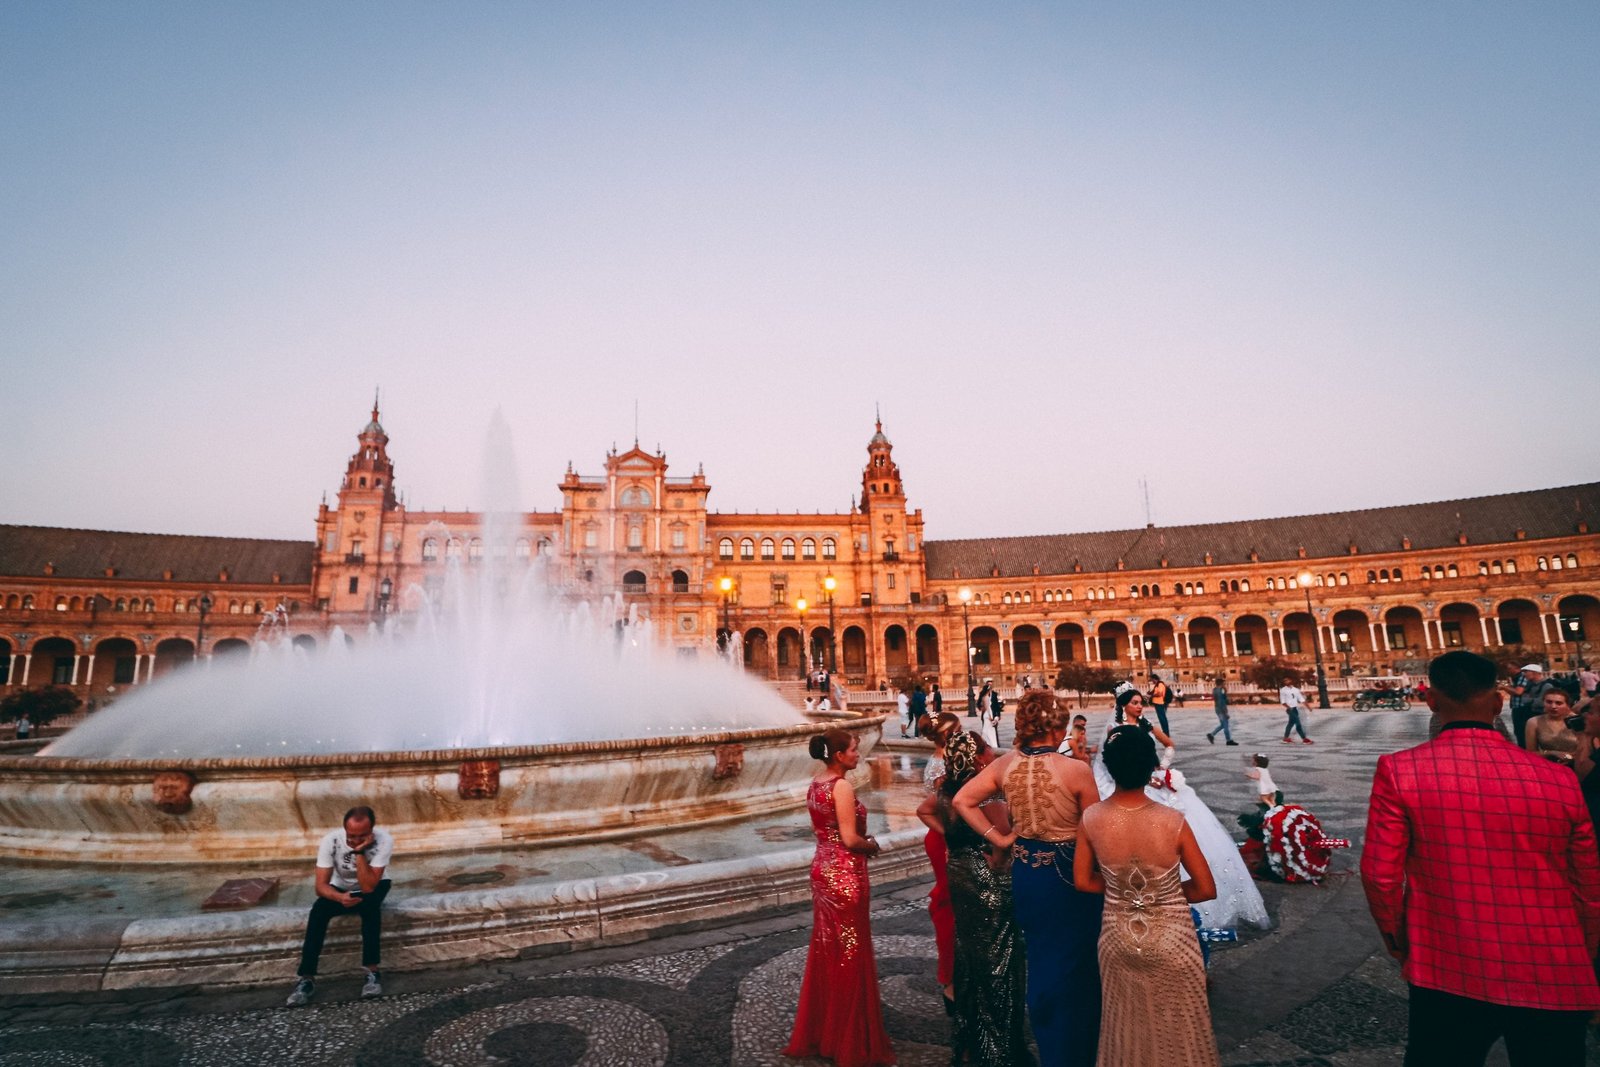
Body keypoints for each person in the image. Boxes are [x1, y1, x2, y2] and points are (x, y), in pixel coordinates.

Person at [1361, 650, 1600, 1067]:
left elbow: (1380, 876)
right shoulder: (1559, 778)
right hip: (1553, 965)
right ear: (1498, 702)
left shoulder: (1401, 770)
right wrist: (1585, 948)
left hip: (1446, 962)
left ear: (1431, 701)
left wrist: (1399, 940)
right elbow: (1589, 884)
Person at [955, 689, 1103, 1067]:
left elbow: (962, 800)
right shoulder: (1076, 770)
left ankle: (1050, 1045)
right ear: (1055, 728)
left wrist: (1001, 839)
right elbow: (1097, 831)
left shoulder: (1005, 765)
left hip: (1028, 874)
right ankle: (1076, 1054)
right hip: (1069, 875)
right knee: (1078, 965)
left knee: (1040, 960)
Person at [1076, 725, 1220, 1067]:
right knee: (1182, 1033)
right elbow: (1205, 888)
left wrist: (1124, 893)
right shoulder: (1172, 821)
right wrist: (1160, 894)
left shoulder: (1091, 818)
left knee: (1125, 1030)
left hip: (1118, 938)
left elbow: (1083, 881)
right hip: (1173, 938)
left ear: (1109, 767)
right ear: (1149, 767)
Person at [1093, 685, 1269, 933]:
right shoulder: (1115, 730)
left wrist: (1161, 770)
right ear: (1123, 705)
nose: (1140, 706)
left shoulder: (1146, 724)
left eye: (1141, 702)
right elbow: (1111, 762)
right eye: (1135, 703)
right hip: (1135, 784)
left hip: (1152, 780)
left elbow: (1169, 744)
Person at [919, 731, 1033, 1065]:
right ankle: (998, 1047)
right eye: (986, 749)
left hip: (959, 874)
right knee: (1000, 958)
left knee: (969, 955)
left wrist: (954, 838)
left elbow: (923, 811)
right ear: (978, 758)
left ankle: (970, 1038)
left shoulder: (946, 792)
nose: (991, 753)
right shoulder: (985, 797)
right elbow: (1004, 841)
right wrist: (1004, 841)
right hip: (988, 880)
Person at [784, 728, 894, 1067]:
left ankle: (826, 1031)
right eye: (853, 750)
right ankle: (849, 1038)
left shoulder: (815, 783)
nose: (858, 754)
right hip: (845, 874)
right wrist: (872, 844)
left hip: (822, 869)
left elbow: (825, 832)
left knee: (828, 950)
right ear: (838, 755)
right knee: (850, 951)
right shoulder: (841, 786)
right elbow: (849, 838)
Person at [286, 805, 393, 1006]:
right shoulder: (331, 841)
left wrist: (359, 852)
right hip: (340, 887)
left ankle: (372, 972)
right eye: (351, 836)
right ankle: (306, 978)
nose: (355, 840)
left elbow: (368, 886)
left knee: (370, 907)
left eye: (362, 836)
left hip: (375, 883)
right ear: (344, 829)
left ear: (371, 831)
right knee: (318, 911)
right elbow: (320, 887)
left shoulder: (384, 840)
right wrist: (339, 897)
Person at [917, 711, 964, 1014]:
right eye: (959, 729)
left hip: (943, 835)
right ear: (948, 734)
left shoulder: (942, 760)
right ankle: (951, 979)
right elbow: (941, 808)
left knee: (954, 902)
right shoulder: (941, 766)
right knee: (950, 903)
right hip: (945, 836)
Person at [1525, 687, 1582, 765]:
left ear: (1567, 705)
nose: (1553, 706)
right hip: (1547, 765)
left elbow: (1588, 749)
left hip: (1576, 764)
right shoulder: (1534, 722)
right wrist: (1551, 753)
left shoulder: (1577, 720)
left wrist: (1570, 758)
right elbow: (1530, 753)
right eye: (1549, 702)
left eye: (1559, 703)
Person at [1508, 663, 1552, 748]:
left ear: (1534, 673)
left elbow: (1542, 702)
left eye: (1526, 672)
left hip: (1540, 716)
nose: (1524, 674)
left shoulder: (1547, 685)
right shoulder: (1531, 685)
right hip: (1529, 715)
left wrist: (1529, 700)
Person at [1279, 679, 1312, 744]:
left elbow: (1301, 699)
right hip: (1290, 710)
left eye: (1287, 680)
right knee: (1298, 724)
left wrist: (1308, 707)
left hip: (1295, 709)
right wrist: (1289, 708)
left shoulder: (1296, 690)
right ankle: (1304, 739)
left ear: (1291, 681)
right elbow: (1283, 702)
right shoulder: (1283, 690)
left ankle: (1285, 738)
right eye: (1285, 681)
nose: (1286, 682)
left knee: (1290, 724)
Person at [1207, 677, 1235, 745]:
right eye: (1223, 683)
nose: (1224, 684)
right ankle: (1228, 740)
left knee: (1222, 725)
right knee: (1225, 725)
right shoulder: (1221, 690)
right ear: (1221, 683)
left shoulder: (1214, 690)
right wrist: (1225, 712)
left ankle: (1211, 735)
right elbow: (1221, 701)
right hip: (1221, 709)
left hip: (1217, 709)